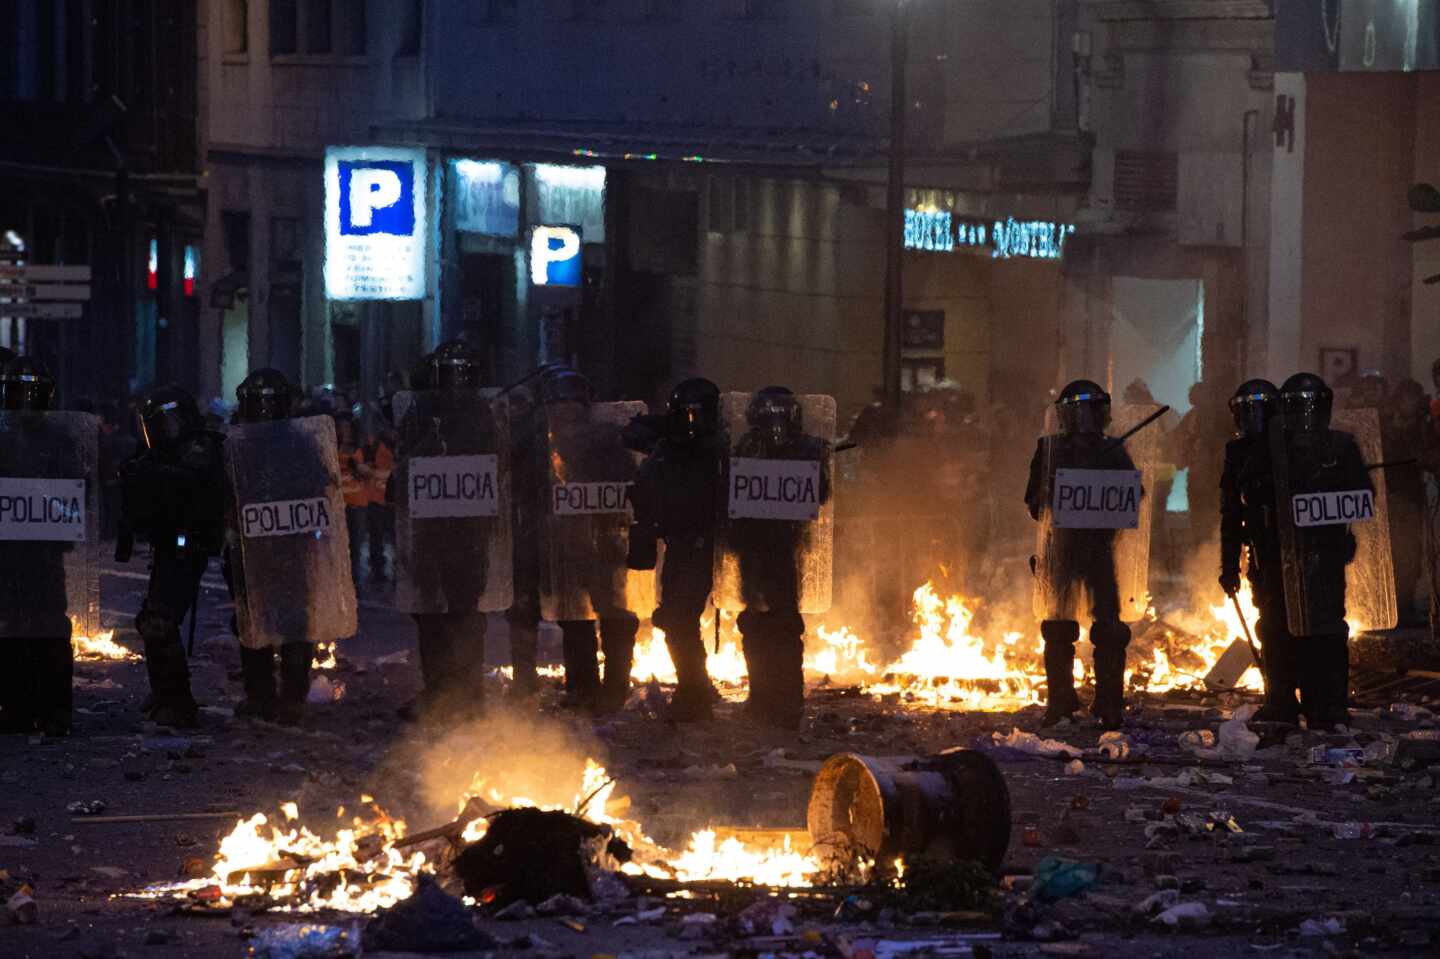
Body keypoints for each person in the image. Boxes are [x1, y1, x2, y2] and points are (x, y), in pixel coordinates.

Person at [226, 368, 352, 725]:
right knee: (268, 623)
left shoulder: (291, 443)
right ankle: (275, 698)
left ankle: (274, 698)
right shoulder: (247, 445)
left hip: (284, 550)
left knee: (277, 623)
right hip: (265, 552)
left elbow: (322, 490)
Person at [392, 340, 502, 720]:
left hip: (468, 535)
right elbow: (404, 468)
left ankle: (466, 695)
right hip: (432, 533)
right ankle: (443, 694)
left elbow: (502, 470)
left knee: (464, 616)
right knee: (433, 615)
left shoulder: (488, 417)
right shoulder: (422, 416)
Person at [1025, 380, 1139, 730]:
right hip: (1061, 548)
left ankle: (1109, 703)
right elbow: (1034, 502)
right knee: (1058, 628)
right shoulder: (1050, 451)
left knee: (1109, 629)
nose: (1085, 419)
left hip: (1101, 550)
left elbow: (1132, 498)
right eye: (1079, 412)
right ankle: (1061, 702)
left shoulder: (1114, 451)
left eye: (1091, 411)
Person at [1268, 373, 1372, 730]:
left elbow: (1363, 494)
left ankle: (1333, 703)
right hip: (1284, 554)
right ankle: (1306, 702)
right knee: (1293, 630)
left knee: (1329, 629)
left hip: (1327, 551)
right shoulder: (1274, 450)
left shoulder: (1341, 447)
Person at [119, 386, 227, 727]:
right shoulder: (162, 454)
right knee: (151, 619)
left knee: (160, 621)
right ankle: (165, 691)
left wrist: (150, 475)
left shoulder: (199, 448)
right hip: (167, 543)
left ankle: (178, 701)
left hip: (188, 545)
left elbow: (192, 486)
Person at [730, 387, 831, 729]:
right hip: (752, 546)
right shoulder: (746, 447)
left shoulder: (804, 450)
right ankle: (762, 698)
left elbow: (820, 493)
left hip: (785, 547)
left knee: (783, 626)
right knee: (756, 624)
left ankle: (785, 703)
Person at [540, 370, 641, 713]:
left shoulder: (607, 441)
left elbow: (628, 484)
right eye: (556, 404)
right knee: (573, 617)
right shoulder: (546, 447)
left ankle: (614, 688)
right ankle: (583, 687)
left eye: (568, 404)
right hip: (567, 542)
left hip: (605, 541)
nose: (562, 411)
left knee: (613, 613)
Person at [629, 378, 724, 721]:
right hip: (678, 544)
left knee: (678, 619)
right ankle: (694, 691)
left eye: (696, 415)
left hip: (696, 545)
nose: (690, 423)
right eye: (685, 415)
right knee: (675, 619)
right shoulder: (671, 445)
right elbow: (637, 434)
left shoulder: (710, 451)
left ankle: (695, 695)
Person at [0, 357, 84, 736]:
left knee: (48, 625)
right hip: (9, 550)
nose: (26, 401)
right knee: (12, 626)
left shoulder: (61, 440)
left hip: (44, 548)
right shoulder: (2, 438)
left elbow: (77, 487)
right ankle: (17, 707)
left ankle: (54, 710)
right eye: (19, 391)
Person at [1217, 379, 1295, 720]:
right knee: (1272, 626)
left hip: (1301, 553)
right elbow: (1232, 515)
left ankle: (1321, 701)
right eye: (1244, 412)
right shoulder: (1237, 454)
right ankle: (1280, 699)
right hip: (1264, 554)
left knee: (1307, 628)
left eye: (1255, 411)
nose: (1249, 420)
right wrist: (1230, 566)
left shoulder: (1296, 445)